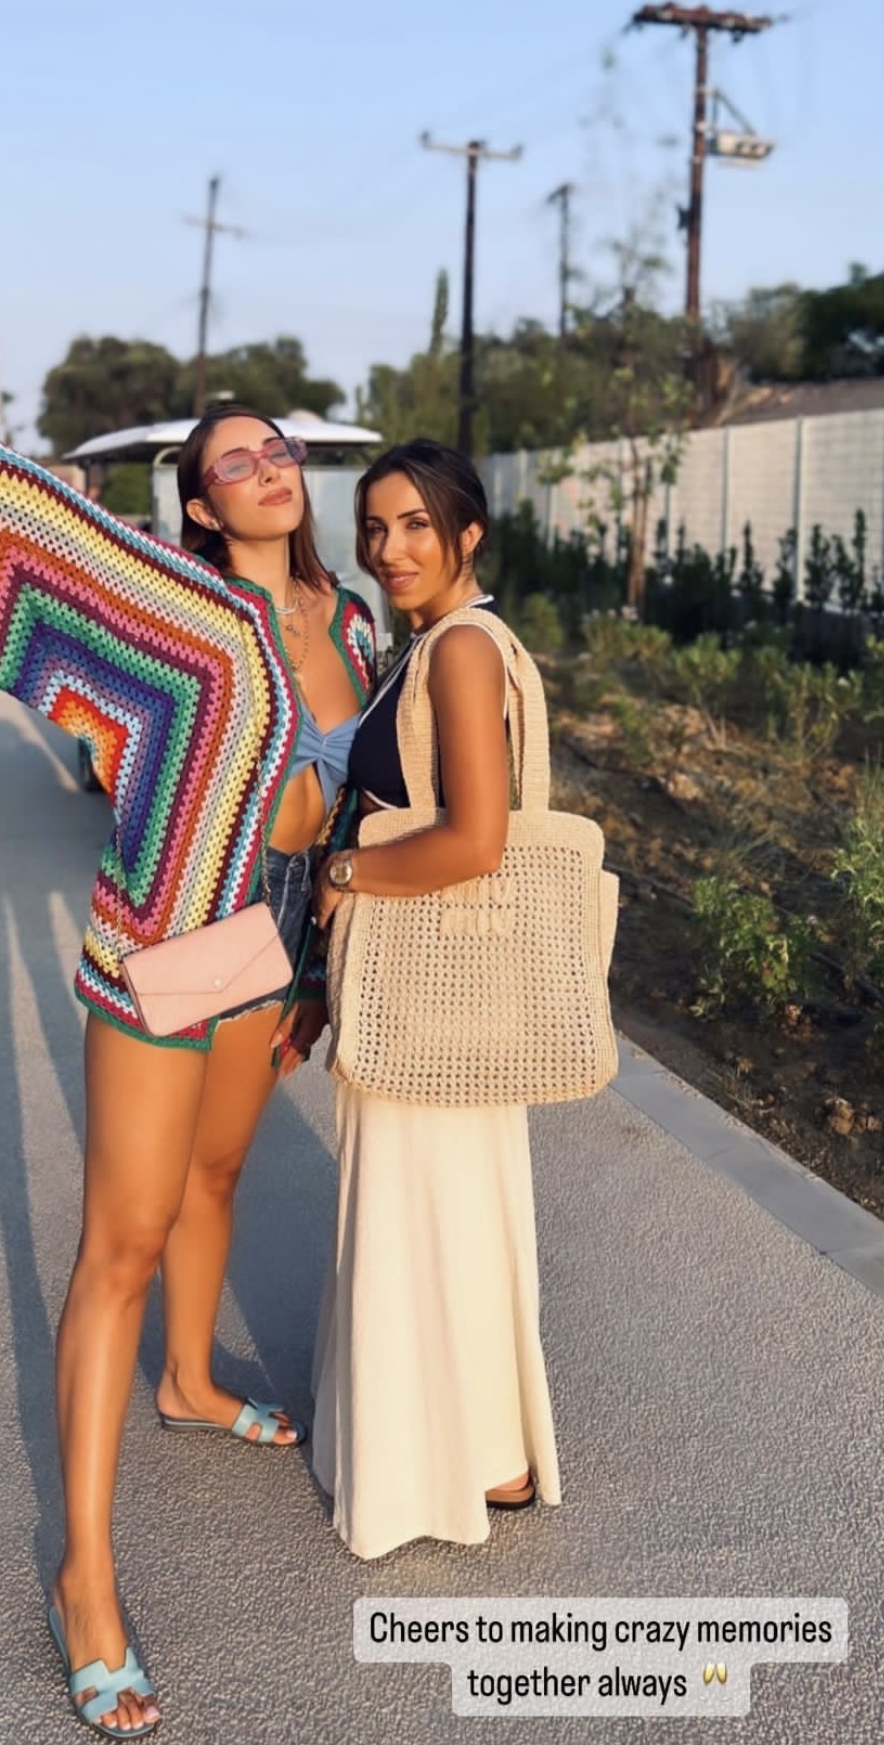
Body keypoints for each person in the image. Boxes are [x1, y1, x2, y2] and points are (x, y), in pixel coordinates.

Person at [0, 268, 375, 1737]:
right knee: (122, 1239)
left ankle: (188, 1380)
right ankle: (84, 1579)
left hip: (273, 947)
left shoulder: (352, 623)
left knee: (217, 1178)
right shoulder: (180, 600)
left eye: (277, 446)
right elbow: (28, 510)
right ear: (200, 504)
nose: (265, 465)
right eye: (232, 459)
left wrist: (327, 953)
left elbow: (369, 790)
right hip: (163, 941)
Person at [310, 438, 561, 1561]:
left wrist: (346, 870)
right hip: (445, 988)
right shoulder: (438, 645)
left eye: (416, 525)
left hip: (431, 986)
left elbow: (475, 840)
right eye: (375, 526)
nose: (389, 548)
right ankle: (487, 1450)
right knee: (450, 1214)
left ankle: (454, 1461)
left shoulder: (459, 648)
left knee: (426, 1214)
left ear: (468, 535)